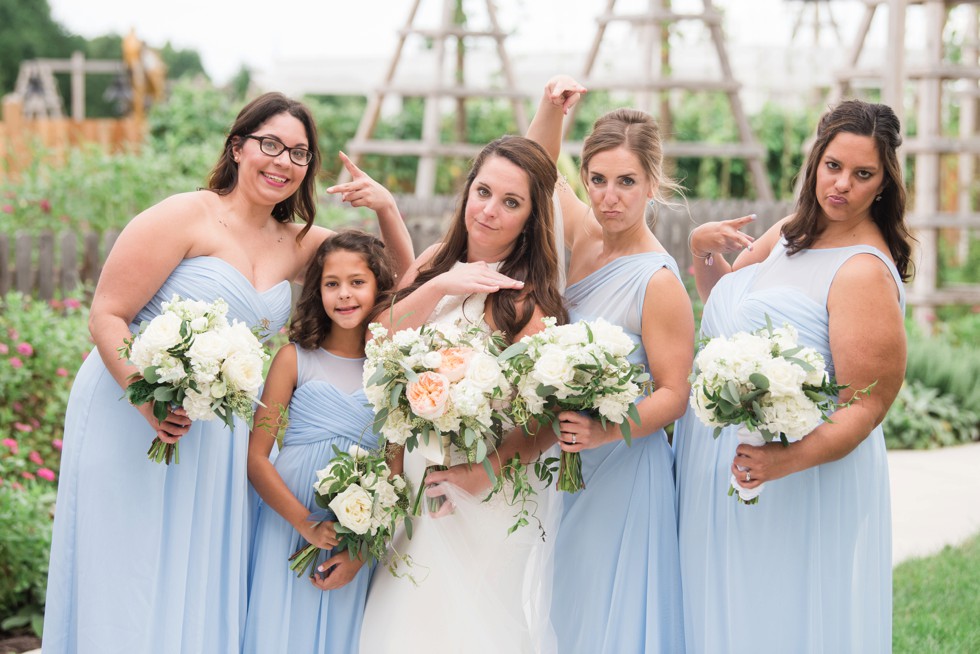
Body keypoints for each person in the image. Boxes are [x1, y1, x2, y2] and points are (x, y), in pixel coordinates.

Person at [43, 92, 413, 654]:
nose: (283, 162)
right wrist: (147, 401)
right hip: (134, 409)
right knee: (127, 563)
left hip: (217, 431)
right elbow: (107, 314)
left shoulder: (299, 243)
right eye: (271, 144)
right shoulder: (184, 215)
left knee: (190, 569)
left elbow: (398, 285)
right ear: (238, 147)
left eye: (299, 153)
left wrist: (385, 207)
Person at [675, 99, 912, 653]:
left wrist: (783, 461)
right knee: (727, 612)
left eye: (862, 174)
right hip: (724, 456)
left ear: (883, 183)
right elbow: (729, 306)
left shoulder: (862, 271)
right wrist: (702, 251)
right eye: (833, 166)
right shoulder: (790, 231)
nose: (842, 185)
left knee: (777, 618)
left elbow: (868, 405)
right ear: (815, 162)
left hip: (796, 473)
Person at [358, 135, 568, 654]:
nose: (490, 211)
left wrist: (482, 473)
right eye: (483, 191)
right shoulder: (434, 262)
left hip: (479, 496)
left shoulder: (526, 303)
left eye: (511, 202)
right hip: (410, 485)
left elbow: (546, 419)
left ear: (530, 218)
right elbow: (378, 341)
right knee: (400, 627)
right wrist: (439, 285)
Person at [525, 75, 693, 653]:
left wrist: (606, 430)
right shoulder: (586, 240)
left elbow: (675, 393)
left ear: (651, 184)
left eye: (626, 182)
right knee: (569, 606)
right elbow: (538, 170)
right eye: (597, 180)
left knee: (612, 612)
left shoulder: (660, 280)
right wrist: (552, 111)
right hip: (570, 460)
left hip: (625, 465)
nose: (608, 197)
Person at [243, 230, 396, 654]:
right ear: (318, 290)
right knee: (276, 630)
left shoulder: (392, 371)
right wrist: (302, 520)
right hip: (286, 519)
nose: (344, 295)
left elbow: (395, 468)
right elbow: (257, 457)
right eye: (332, 283)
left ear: (379, 287)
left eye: (357, 282)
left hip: (353, 534)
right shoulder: (294, 359)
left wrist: (360, 552)